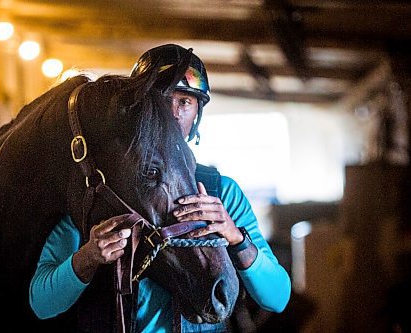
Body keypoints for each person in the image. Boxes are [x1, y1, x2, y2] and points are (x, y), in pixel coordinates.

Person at [29, 44, 291, 332]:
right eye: (160, 101)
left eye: (185, 102)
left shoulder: (221, 192)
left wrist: (234, 236)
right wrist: (88, 256)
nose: (173, 114)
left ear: (197, 113)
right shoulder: (101, 191)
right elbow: (42, 304)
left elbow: (276, 298)